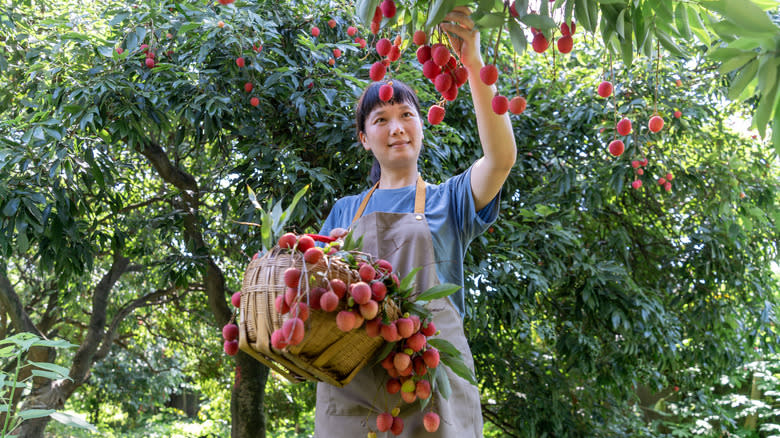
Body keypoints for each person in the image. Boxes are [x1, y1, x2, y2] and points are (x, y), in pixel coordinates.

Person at [314, 6, 516, 437]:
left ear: (421, 127)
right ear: (365, 140)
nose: (397, 127)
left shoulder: (451, 200)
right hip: (355, 394)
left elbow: (500, 159)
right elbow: (317, 300)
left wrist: (473, 60)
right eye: (381, 120)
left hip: (431, 390)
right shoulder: (344, 213)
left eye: (406, 115)